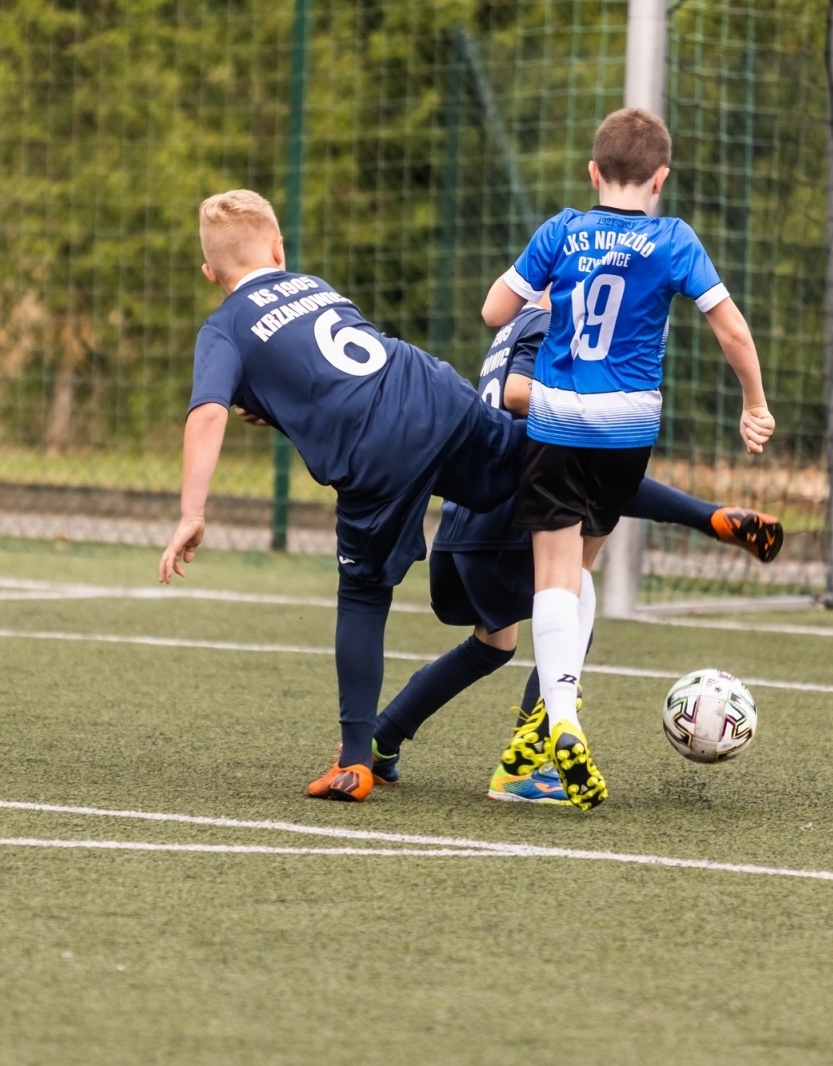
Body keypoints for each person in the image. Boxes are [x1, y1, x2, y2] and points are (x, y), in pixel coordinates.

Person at [159, 189, 773, 804]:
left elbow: (209, 412)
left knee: (365, 594)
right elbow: (324, 366)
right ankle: (702, 521)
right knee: (556, 475)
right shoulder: (313, 285)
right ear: (278, 248)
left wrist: (192, 513)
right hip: (430, 391)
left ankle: (356, 759)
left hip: (376, 454)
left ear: (212, 274)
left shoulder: (223, 327)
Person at [369, 295, 782, 804]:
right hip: (510, 517)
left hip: (469, 518)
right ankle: (525, 766)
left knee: (491, 645)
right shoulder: (550, 323)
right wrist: (704, 516)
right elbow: (521, 396)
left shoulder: (517, 326)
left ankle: (382, 738)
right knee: (570, 600)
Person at [481, 107, 776, 809]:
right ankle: (556, 728)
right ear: (660, 178)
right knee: (584, 569)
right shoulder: (673, 239)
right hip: (628, 428)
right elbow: (730, 328)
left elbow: (496, 311)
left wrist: (542, 285)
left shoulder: (562, 229)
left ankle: (562, 722)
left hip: (556, 418)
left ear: (593, 172)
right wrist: (754, 404)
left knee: (551, 579)